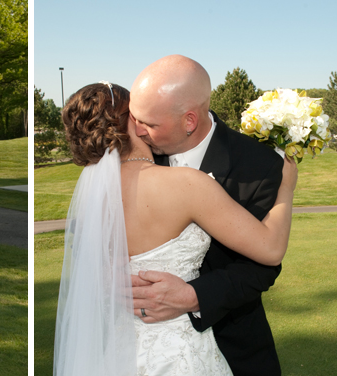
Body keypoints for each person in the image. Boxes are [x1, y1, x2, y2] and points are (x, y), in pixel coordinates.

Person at [53, 77, 295, 375]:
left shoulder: (93, 195)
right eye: (139, 116)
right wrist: (287, 188)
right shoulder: (187, 184)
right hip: (182, 352)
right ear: (128, 121)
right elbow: (270, 250)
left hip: (121, 350)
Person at [129, 55, 288, 376]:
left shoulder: (258, 163)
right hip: (140, 346)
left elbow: (262, 266)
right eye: (134, 117)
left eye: (150, 124)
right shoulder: (132, 158)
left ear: (189, 120)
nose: (137, 131)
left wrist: (193, 295)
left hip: (233, 343)